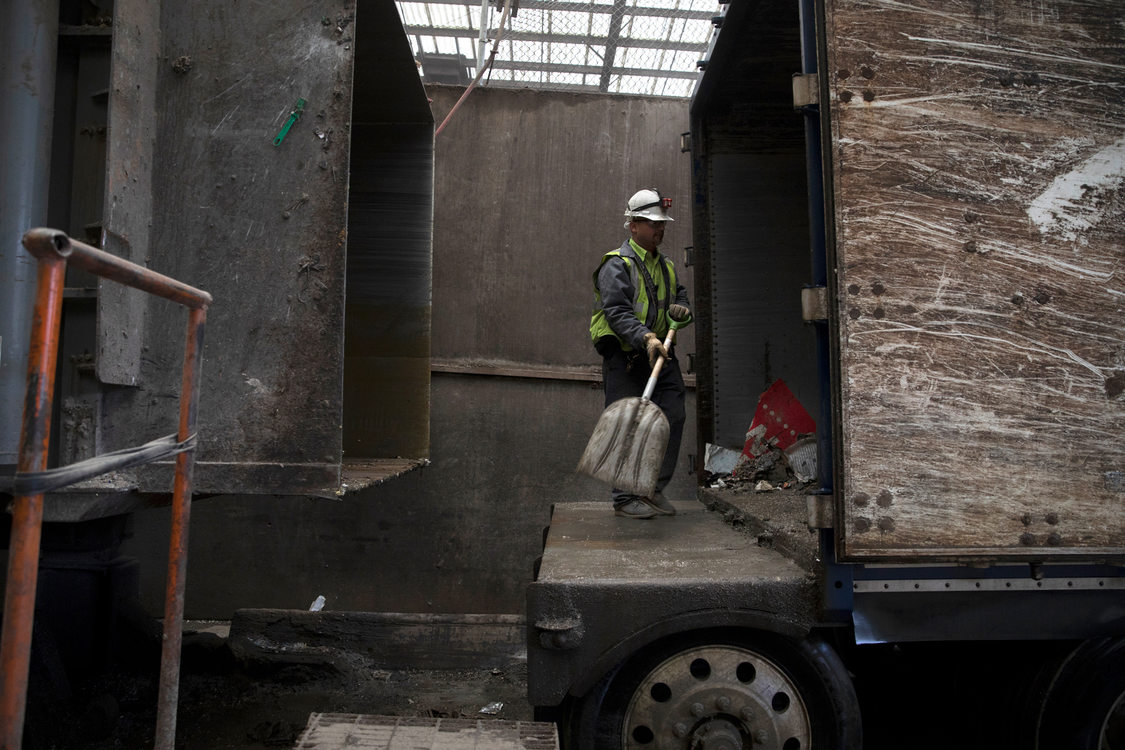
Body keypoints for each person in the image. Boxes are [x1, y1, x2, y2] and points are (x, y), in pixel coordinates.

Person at [589, 188, 693, 519]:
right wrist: (646, 338)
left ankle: (651, 488)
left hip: (661, 357)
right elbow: (617, 312)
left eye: (661, 223)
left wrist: (682, 310)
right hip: (627, 357)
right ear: (633, 226)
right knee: (627, 423)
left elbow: (680, 298)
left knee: (673, 415)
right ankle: (623, 498)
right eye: (651, 223)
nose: (658, 229)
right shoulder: (616, 265)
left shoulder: (667, 267)